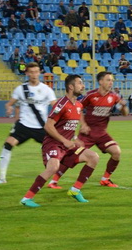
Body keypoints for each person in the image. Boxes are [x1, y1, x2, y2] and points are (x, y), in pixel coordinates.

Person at [19, 75, 100, 208]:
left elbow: (67, 127)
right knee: (53, 168)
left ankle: (75, 190)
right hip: (53, 144)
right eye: (80, 83)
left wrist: (75, 139)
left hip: (68, 146)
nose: (83, 86)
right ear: (71, 86)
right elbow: (48, 126)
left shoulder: (78, 105)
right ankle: (27, 198)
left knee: (93, 157)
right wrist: (64, 140)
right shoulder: (61, 103)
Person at [49, 71, 128, 189]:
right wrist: (84, 124)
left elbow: (125, 114)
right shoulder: (91, 95)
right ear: (101, 82)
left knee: (116, 152)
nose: (111, 82)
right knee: (73, 156)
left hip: (102, 134)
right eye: (108, 80)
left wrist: (123, 106)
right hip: (87, 134)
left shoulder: (114, 97)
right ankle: (54, 181)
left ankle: (105, 179)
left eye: (112, 80)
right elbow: (78, 109)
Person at [0, 62, 58, 185]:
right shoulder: (20, 89)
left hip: (41, 127)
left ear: (39, 73)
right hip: (24, 125)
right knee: (7, 145)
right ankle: (1, 178)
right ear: (27, 73)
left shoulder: (46, 90)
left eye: (36, 72)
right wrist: (8, 108)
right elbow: (10, 103)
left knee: (54, 150)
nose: (34, 74)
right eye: (31, 72)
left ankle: (53, 179)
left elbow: (56, 107)